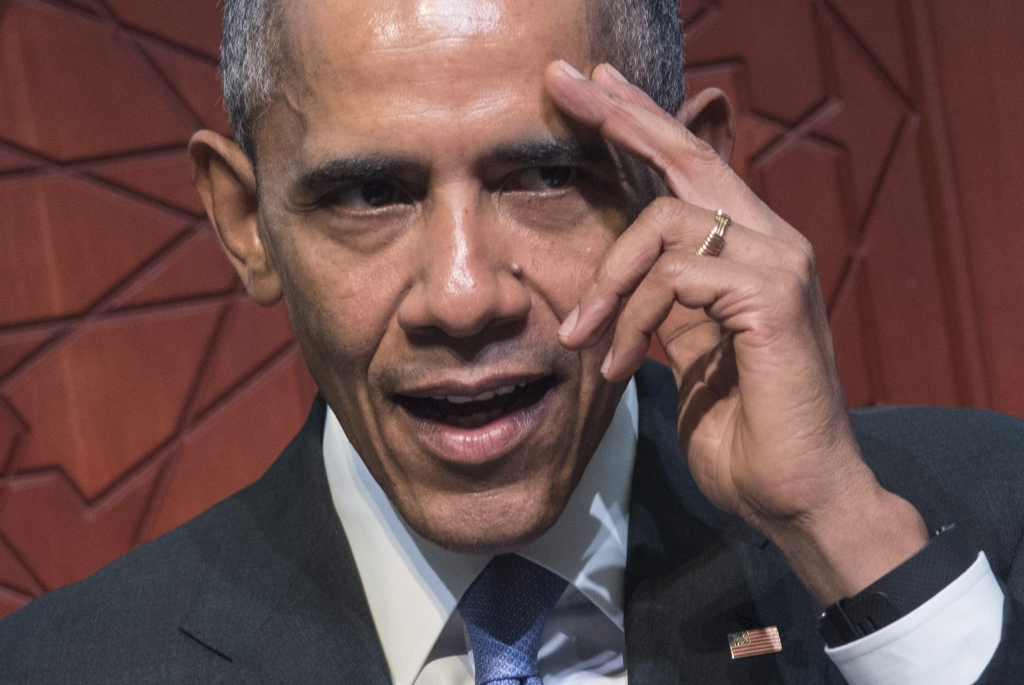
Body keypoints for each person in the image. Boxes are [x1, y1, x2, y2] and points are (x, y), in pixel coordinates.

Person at [1, 0, 1022, 683]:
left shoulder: (987, 514)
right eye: (368, 193)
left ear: (687, 184)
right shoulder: (63, 666)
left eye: (543, 177)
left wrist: (844, 536)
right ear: (245, 223)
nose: (461, 294)